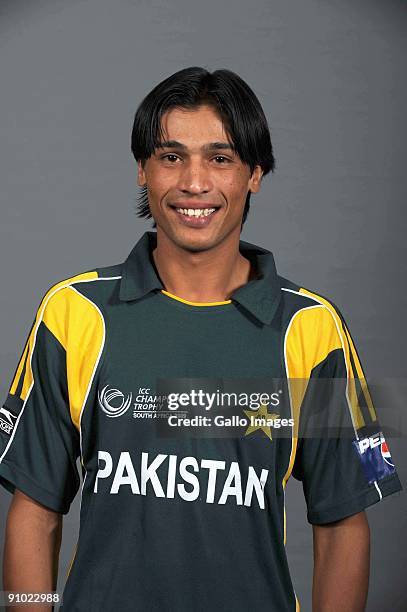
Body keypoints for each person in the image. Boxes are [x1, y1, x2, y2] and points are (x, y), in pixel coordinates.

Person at [0, 66, 402, 612]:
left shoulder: (315, 328)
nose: (194, 183)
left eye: (221, 157)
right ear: (142, 170)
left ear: (255, 173)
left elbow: (344, 521)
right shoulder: (71, 314)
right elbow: (35, 507)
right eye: (171, 157)